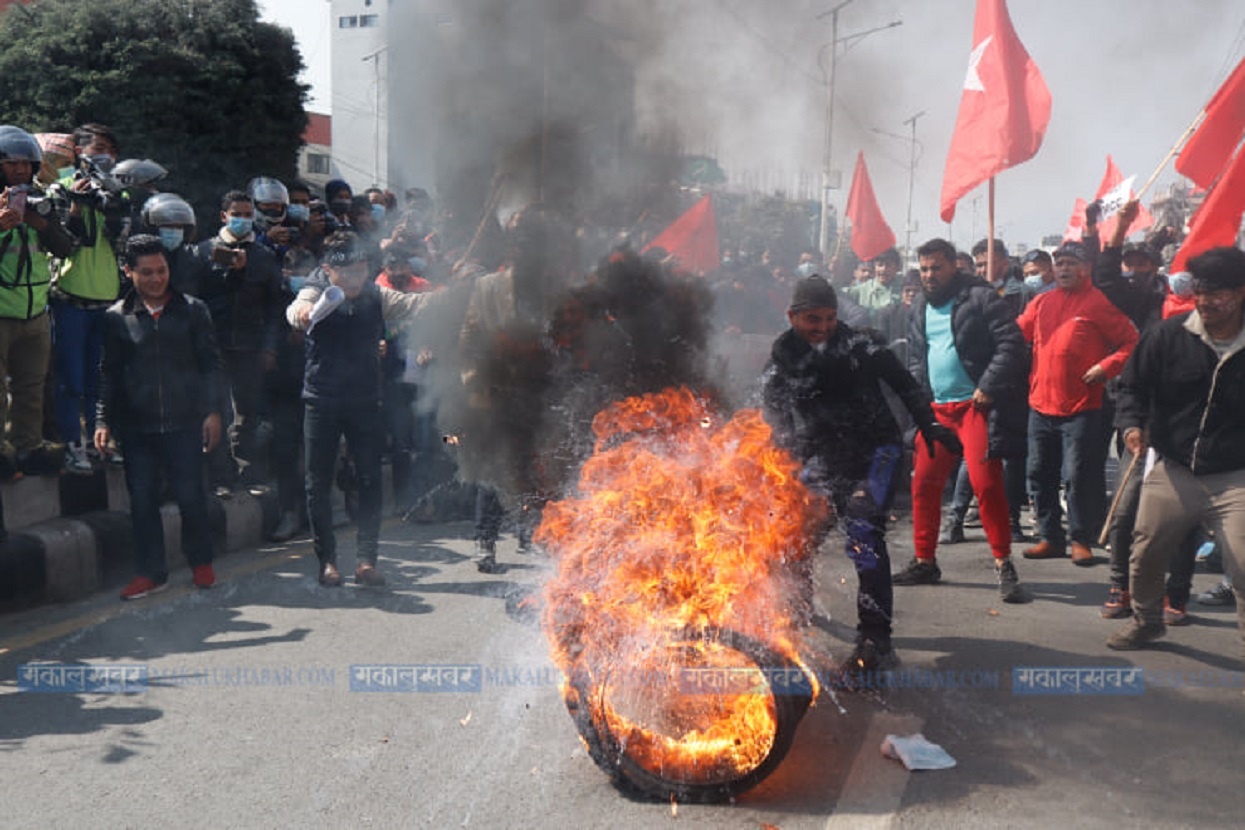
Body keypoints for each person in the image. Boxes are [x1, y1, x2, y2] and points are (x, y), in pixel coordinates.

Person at [762, 275, 962, 672]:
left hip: (875, 453)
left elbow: (905, 385)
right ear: (792, 317)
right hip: (822, 458)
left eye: (829, 319)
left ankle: (875, 638)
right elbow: (774, 416)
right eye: (812, 320)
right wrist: (780, 460)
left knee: (863, 529)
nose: (821, 329)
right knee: (793, 531)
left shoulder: (862, 346)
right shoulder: (781, 359)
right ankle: (795, 608)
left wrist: (928, 425)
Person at [1107, 246, 1245, 652]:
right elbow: (1131, 387)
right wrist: (1131, 424)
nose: (1205, 302)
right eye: (1200, 290)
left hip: (1235, 475)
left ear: (1240, 294)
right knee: (1146, 550)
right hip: (1175, 469)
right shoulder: (1167, 335)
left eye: (1217, 293)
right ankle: (1147, 620)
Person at [286, 231, 435, 587]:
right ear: (328, 270)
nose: (354, 279)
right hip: (321, 399)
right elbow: (296, 310)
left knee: (369, 478)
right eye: (346, 273)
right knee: (317, 482)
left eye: (360, 270)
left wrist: (451, 298)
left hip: (366, 400)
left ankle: (367, 560)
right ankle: (328, 562)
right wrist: (303, 313)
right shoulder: (315, 289)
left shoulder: (376, 294)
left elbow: (413, 305)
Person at [894, 238, 1031, 603]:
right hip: (936, 412)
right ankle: (925, 561)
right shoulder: (918, 305)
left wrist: (988, 386)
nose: (929, 275)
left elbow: (1012, 344)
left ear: (954, 265)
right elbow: (916, 358)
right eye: (924, 269)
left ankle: (1004, 564)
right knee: (923, 485)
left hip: (975, 408)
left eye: (936, 267)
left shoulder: (981, 298)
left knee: (987, 486)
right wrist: (919, 401)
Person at [96, 235, 225, 600]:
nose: (156, 279)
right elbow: (109, 373)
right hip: (137, 428)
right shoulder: (116, 318)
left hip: (186, 423)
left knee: (192, 498)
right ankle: (151, 573)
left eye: (162, 270)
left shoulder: (193, 310)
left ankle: (201, 563)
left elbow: (210, 365)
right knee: (142, 502)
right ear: (129, 272)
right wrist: (103, 421)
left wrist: (213, 411)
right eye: (147, 272)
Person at [1016, 241, 1137, 565]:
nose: (1064, 269)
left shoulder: (1097, 302)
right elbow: (1015, 336)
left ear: (1086, 269)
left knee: (1077, 475)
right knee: (1038, 473)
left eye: (1071, 263)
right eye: (1060, 264)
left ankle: (1080, 539)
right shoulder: (1041, 302)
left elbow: (1131, 341)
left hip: (1081, 407)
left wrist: (1106, 367)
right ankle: (1049, 537)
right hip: (1040, 404)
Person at [48, 123, 129, 474]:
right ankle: (71, 443)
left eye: (110, 150)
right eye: (97, 148)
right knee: (70, 378)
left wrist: (108, 200)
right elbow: (64, 241)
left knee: (101, 377)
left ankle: (100, 442)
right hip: (69, 296)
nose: (105, 155)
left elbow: (121, 240)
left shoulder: (119, 195)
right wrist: (78, 206)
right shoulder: (60, 189)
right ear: (79, 151)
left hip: (106, 299)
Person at [0, 125, 76, 480]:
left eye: (25, 164)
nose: (19, 171)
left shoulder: (42, 199)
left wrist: (42, 223)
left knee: (31, 387)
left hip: (35, 311)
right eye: (11, 164)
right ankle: (2, 454)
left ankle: (28, 447)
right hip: (1, 309)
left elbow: (64, 248)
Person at [194, 189, 283, 495]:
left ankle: (247, 473)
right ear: (224, 216)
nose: (243, 220)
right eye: (237, 214)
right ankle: (220, 478)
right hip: (213, 345)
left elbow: (274, 307)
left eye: (248, 215)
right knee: (215, 410)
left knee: (246, 413)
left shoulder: (264, 256)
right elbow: (197, 299)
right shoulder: (204, 251)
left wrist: (270, 346)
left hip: (250, 344)